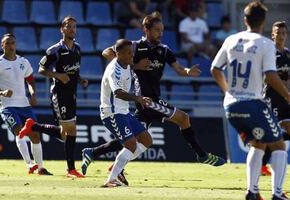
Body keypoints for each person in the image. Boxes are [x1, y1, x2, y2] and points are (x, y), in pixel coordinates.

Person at [81, 12, 225, 179]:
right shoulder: (133, 47)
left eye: (162, 30)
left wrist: (187, 71)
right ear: (146, 30)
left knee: (135, 139)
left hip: (152, 99)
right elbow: (107, 52)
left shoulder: (164, 51)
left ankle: (94, 153)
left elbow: (178, 68)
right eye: (157, 30)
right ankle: (202, 155)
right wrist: (135, 65)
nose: (160, 34)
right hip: (144, 101)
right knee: (183, 118)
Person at [211, 2, 290, 200]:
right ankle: (277, 195)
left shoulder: (231, 40)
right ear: (264, 22)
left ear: (245, 20)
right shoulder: (265, 44)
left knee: (258, 144)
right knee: (279, 146)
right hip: (253, 103)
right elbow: (270, 75)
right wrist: (287, 94)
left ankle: (252, 192)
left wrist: (228, 92)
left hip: (231, 105)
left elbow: (215, 69)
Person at [19, 16, 88, 178]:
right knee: (71, 130)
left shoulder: (77, 48)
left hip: (72, 93)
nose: (72, 29)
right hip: (59, 93)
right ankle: (70, 169)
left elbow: (73, 71)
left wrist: (80, 79)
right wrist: (57, 75)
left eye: (74, 27)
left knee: (66, 133)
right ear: (62, 29)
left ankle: (33, 126)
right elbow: (42, 69)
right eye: (69, 26)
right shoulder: (55, 50)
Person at [0, 33, 52, 175]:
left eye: (12, 43)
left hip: (24, 104)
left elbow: (31, 80)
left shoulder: (23, 62)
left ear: (16, 45)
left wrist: (33, 94)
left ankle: (40, 168)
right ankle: (30, 165)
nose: (10, 45)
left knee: (35, 135)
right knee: (19, 131)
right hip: (7, 105)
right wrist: (2, 92)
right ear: (2, 45)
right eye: (7, 43)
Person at [100, 39, 153, 187]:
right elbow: (117, 93)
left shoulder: (127, 64)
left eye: (132, 51)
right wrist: (138, 98)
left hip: (123, 111)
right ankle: (111, 179)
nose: (132, 55)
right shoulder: (113, 70)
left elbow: (130, 68)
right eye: (128, 52)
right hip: (112, 112)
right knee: (131, 144)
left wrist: (137, 65)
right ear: (118, 53)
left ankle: (118, 167)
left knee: (147, 140)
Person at [260, 21, 290, 176]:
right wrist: (281, 83)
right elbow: (266, 77)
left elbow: (281, 73)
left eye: (283, 33)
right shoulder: (270, 52)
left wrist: (289, 76)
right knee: (275, 133)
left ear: (286, 35)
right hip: (271, 96)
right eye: (278, 33)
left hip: (283, 97)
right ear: (273, 34)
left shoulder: (287, 52)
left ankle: (263, 144)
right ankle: (262, 164)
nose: (281, 36)